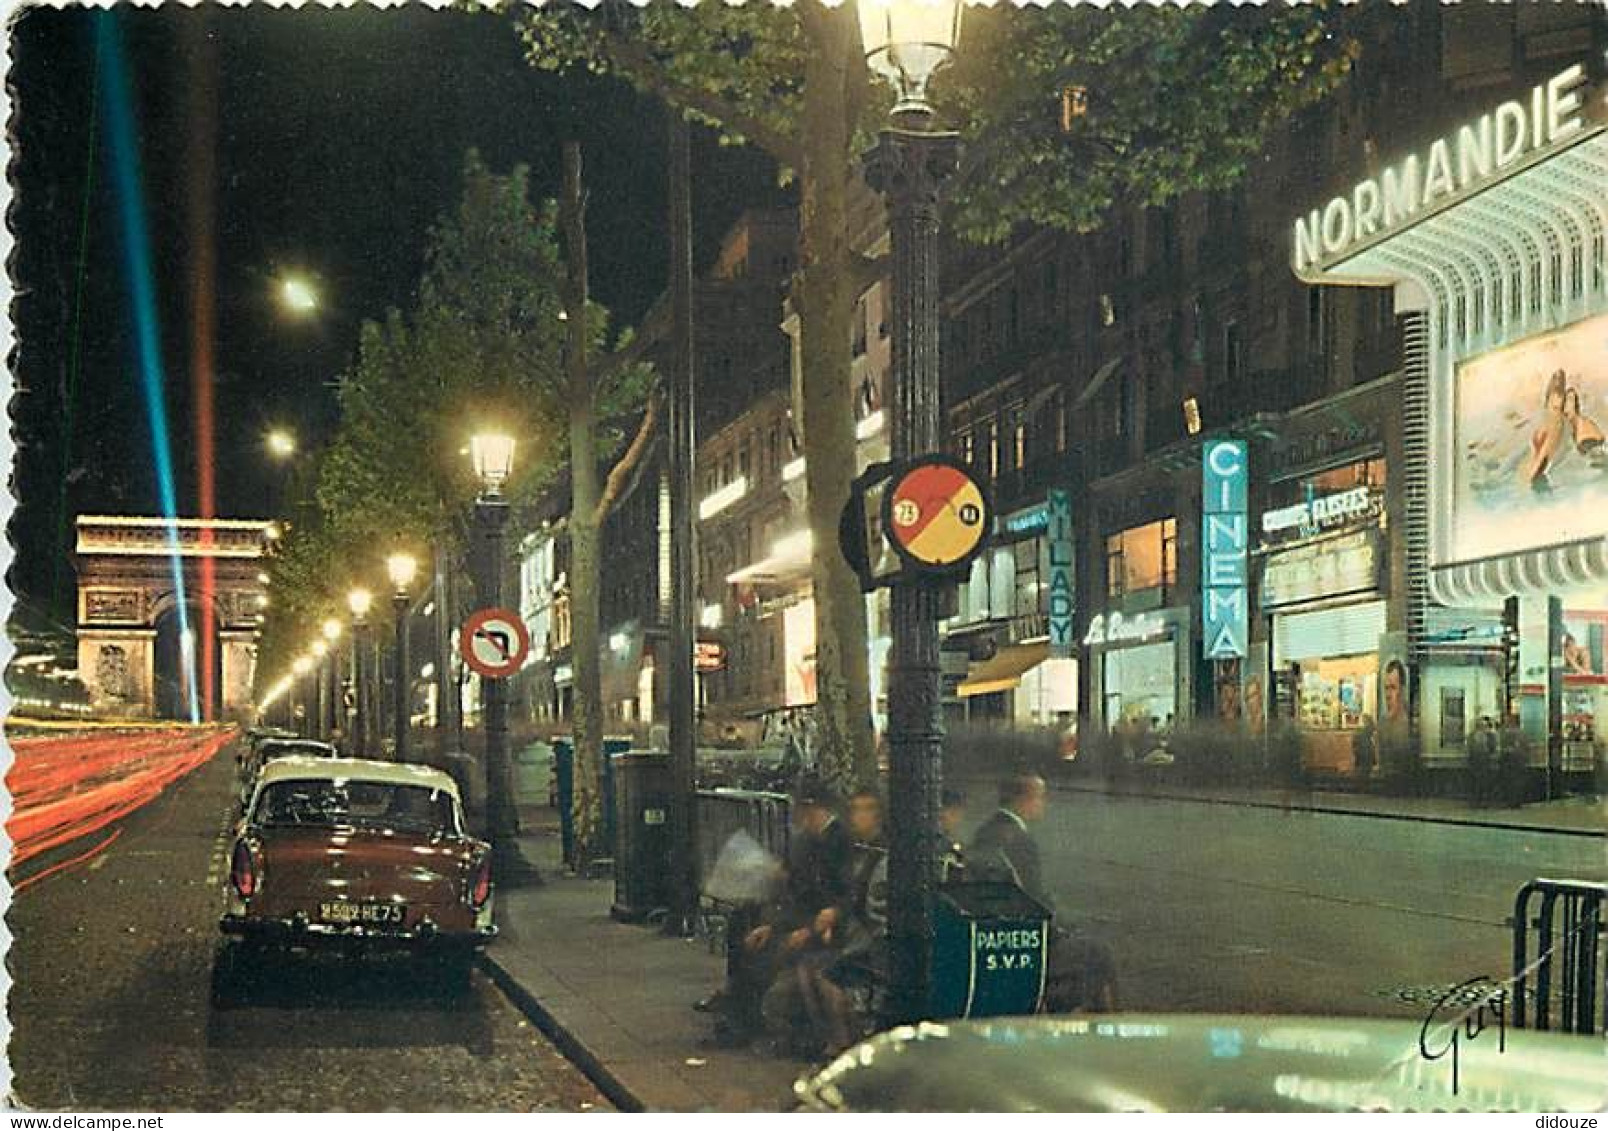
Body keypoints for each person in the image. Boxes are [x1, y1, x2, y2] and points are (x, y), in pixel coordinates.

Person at [701, 776, 852, 1045]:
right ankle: (737, 1011)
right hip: (803, 918)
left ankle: (742, 1017)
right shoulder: (807, 840)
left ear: (813, 809)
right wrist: (774, 923)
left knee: (768, 951)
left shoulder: (837, 841)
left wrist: (800, 929)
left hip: (823, 925)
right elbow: (797, 888)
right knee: (746, 930)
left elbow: (835, 897)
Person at [969, 773, 1117, 1014]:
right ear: (1023, 799)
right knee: (1099, 952)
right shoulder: (1020, 840)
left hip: (994, 929)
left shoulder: (986, 830)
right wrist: (1064, 923)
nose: (1043, 804)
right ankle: (1102, 1023)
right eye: (1040, 797)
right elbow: (1033, 899)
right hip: (1024, 939)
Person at [1468, 716, 1498, 808]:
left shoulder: (1490, 735)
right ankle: (1477, 801)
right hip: (1476, 762)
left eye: (1484, 725)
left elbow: (1493, 747)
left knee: (1484, 783)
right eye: (1480, 725)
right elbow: (1470, 748)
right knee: (1476, 783)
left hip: (1485, 762)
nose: (1482, 727)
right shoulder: (1473, 735)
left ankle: (1483, 801)